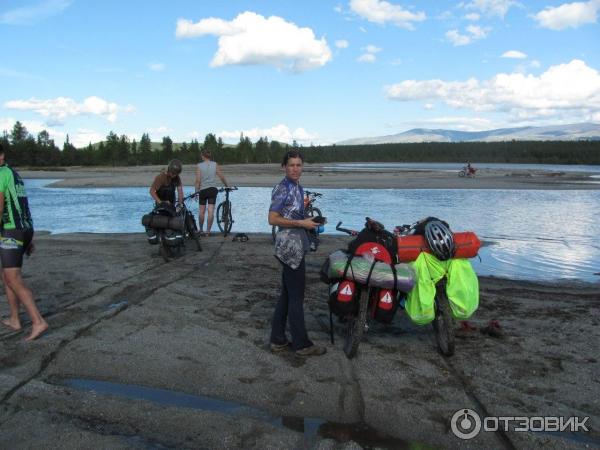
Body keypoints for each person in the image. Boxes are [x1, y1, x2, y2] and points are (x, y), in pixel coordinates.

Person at [268, 150, 326, 357]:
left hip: (296, 244)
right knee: (296, 296)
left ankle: (277, 339)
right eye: (291, 165)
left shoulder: (298, 188)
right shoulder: (282, 188)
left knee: (287, 294)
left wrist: (303, 212)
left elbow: (288, 212)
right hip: (288, 247)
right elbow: (272, 219)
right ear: (284, 167)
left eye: (298, 165)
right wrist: (301, 222)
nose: (295, 168)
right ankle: (301, 344)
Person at [0, 144, 48, 341]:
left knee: (13, 278)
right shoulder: (14, 174)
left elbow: (0, 205)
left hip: (11, 230)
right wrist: (28, 238)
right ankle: (14, 319)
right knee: (7, 275)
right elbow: (23, 205)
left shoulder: (2, 173)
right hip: (23, 229)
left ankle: (38, 321)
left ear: (1, 155)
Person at [195, 150, 228, 236]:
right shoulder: (215, 164)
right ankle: (208, 231)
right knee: (210, 211)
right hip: (212, 190)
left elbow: (198, 180)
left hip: (203, 190)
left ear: (203, 156)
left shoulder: (199, 166)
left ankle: (201, 229)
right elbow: (221, 176)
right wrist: (226, 185)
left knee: (201, 211)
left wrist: (196, 192)